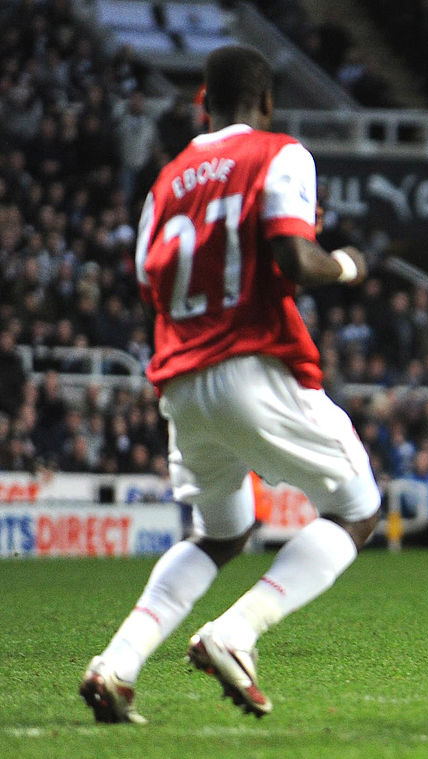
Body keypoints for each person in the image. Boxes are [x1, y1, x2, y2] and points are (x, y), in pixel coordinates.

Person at [80, 45, 380, 724]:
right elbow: (295, 260)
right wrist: (350, 264)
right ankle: (236, 632)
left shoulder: (166, 182)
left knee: (220, 531)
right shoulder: (280, 152)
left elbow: (148, 284)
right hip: (252, 362)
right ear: (267, 101)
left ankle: (118, 663)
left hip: (181, 378)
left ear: (201, 103)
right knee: (357, 506)